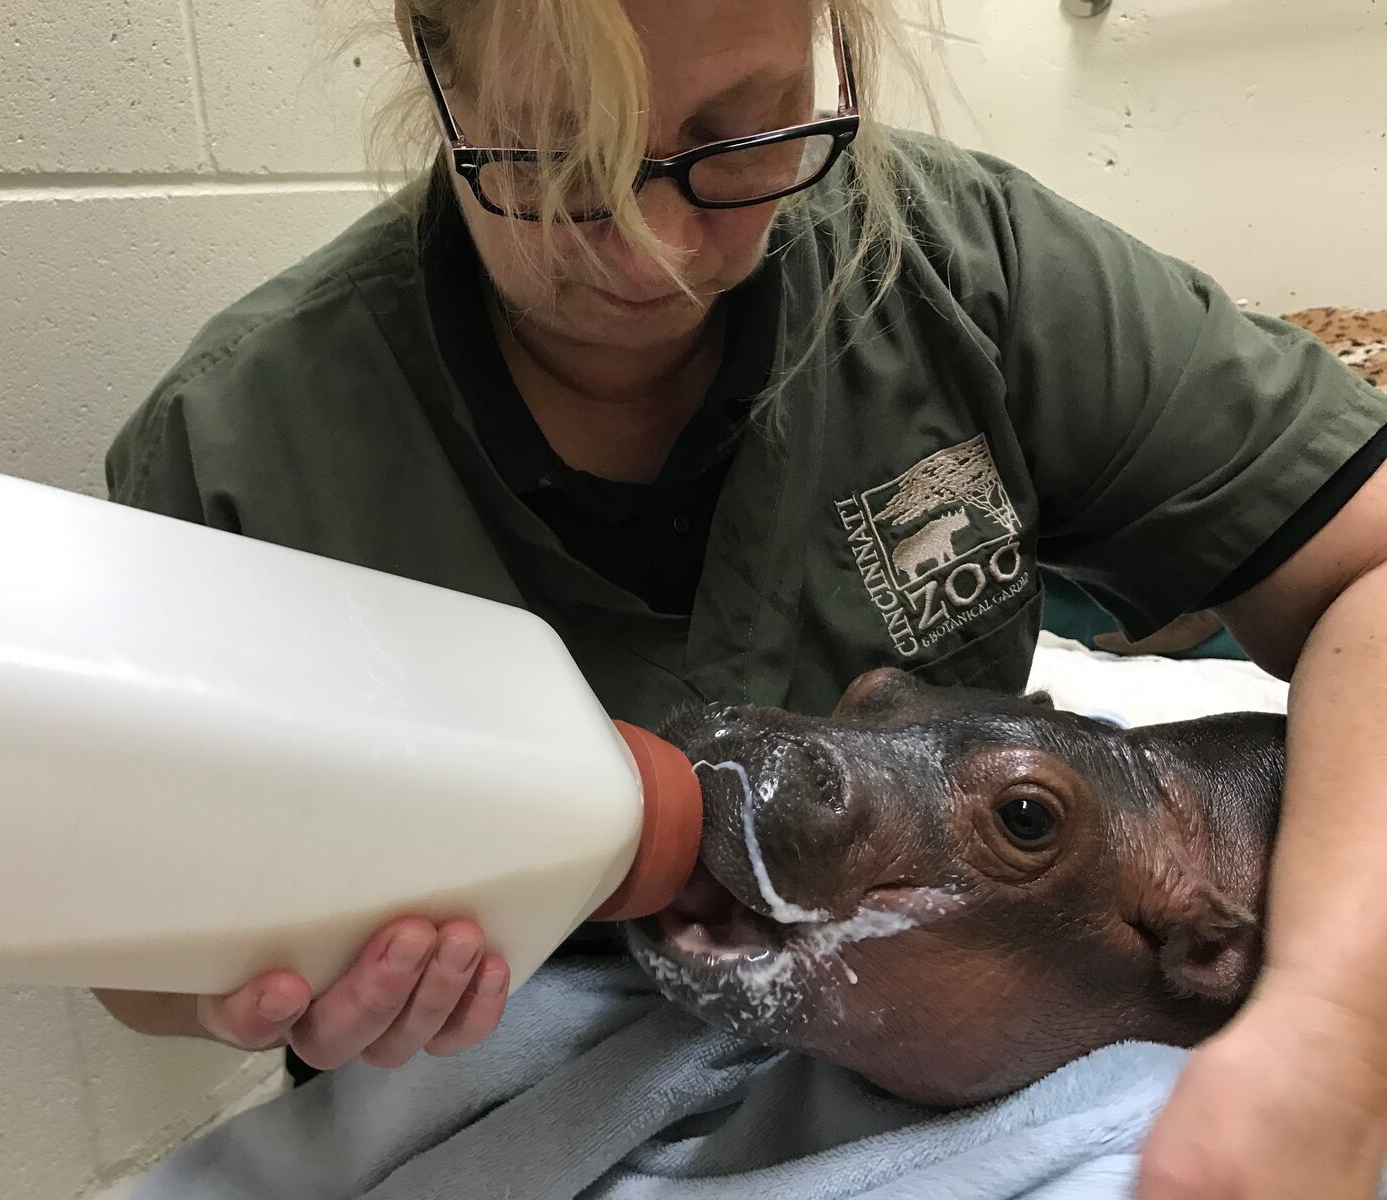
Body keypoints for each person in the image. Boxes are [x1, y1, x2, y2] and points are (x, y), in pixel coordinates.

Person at [93, 1, 1387, 1196]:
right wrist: (233, 982)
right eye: (561, 157)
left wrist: (1334, 1025)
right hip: (473, 1087)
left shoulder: (962, 272)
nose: (656, 244)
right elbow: (130, 958)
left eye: (741, 134)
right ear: (439, 67)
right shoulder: (243, 445)